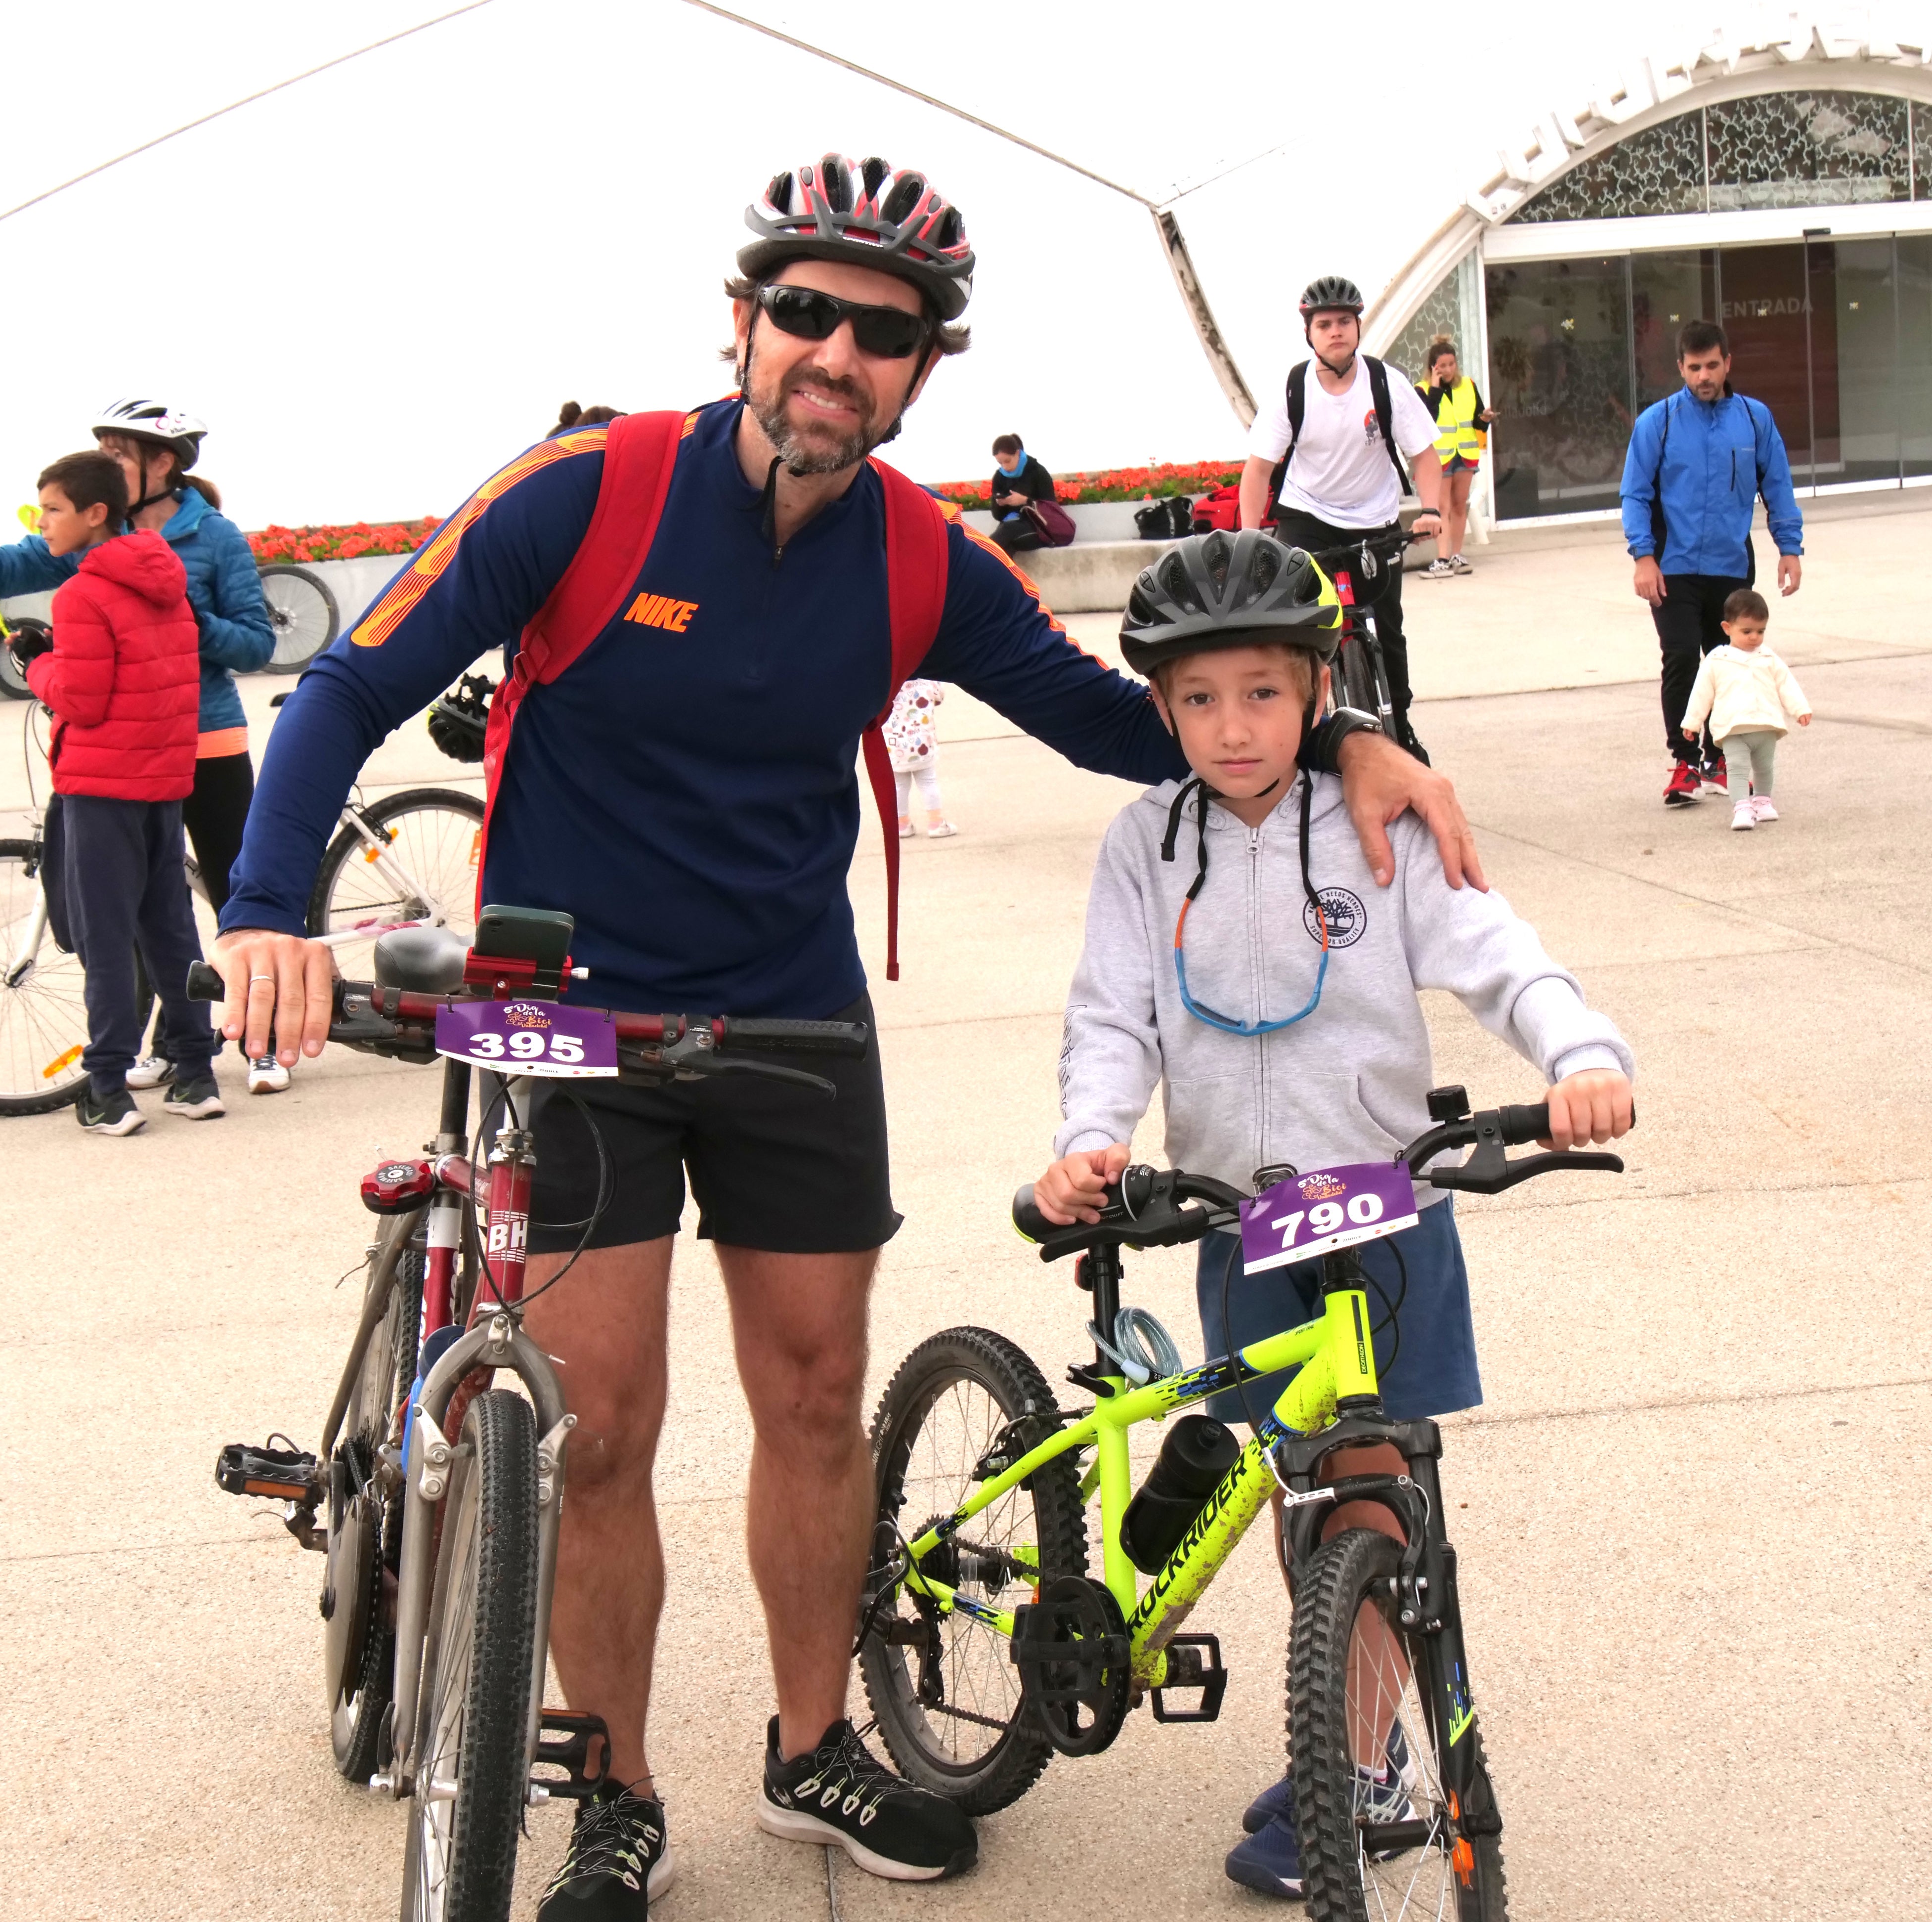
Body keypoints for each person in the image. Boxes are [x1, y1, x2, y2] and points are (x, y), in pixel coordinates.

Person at [211, 150, 1485, 1921]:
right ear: (742, 321)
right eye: (803, 310)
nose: (836, 350)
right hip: (568, 1006)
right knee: (602, 1425)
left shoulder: (916, 558)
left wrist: (1340, 733)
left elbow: (1136, 724)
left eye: (881, 332)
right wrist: (266, 905)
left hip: (790, 1012)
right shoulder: (590, 492)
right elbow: (349, 682)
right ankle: (617, 1802)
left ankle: (813, 1744)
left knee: (814, 1401)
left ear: (919, 369)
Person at [1029, 528, 1634, 1902]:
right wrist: (1091, 1138)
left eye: (1261, 691)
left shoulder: (1378, 827)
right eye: (1196, 699)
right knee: (1297, 1489)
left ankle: (1353, 1763)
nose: (1231, 727)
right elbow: (1112, 1013)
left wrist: (1581, 1059)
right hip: (1238, 1222)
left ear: (1319, 689)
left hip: (1384, 1214)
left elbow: (1499, 953)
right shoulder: (1146, 846)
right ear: (1161, 707)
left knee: (1373, 1490)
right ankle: (1344, 1730)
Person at [0, 399, 280, 1089]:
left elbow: (256, 642)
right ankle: (175, 1041)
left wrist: (177, 621)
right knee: (147, 908)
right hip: (127, 755)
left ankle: (259, 1036)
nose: (108, 467)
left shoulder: (215, 537)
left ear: (162, 463)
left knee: (240, 894)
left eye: (120, 455)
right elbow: (5, 570)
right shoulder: (88, 542)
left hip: (205, 736)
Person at [20, 449, 220, 1134]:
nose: (42, 522)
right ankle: (195, 1073)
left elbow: (82, 697)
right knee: (170, 926)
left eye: (52, 509)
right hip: (163, 781)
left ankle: (109, 1085)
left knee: (105, 937)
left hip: (101, 785)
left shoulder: (81, 594)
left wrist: (37, 664)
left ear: (94, 513)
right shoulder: (165, 579)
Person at [1239, 276, 1444, 761]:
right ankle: (1303, 733)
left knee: (1389, 628)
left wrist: (1432, 510)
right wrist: (1250, 538)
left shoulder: (1384, 383)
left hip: (1375, 520)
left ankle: (1403, 727)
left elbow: (1426, 456)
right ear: (1309, 333)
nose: (1336, 332)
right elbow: (1258, 472)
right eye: (1325, 324)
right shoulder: (1293, 390)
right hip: (1307, 516)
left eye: (1345, 323)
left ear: (1358, 327)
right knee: (1298, 631)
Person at [1620, 318, 1804, 809]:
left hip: (1729, 565)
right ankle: (1683, 761)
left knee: (1730, 666)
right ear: (1680, 367)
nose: (1704, 376)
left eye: (1713, 365)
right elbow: (1635, 495)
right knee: (1681, 658)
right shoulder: (1656, 424)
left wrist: (1789, 548)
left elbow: (1778, 485)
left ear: (1728, 363)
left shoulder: (1754, 419)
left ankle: (1719, 757)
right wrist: (1643, 556)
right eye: (1694, 367)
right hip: (1673, 567)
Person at [1680, 586, 1811, 831]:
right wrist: (1692, 722)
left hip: (1766, 725)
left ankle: (1763, 802)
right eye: (1747, 631)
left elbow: (1786, 684)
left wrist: (1799, 709)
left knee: (1765, 767)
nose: (1755, 637)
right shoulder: (1717, 660)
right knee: (1738, 769)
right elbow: (1702, 694)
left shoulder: (1768, 657)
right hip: (1733, 727)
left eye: (1761, 631)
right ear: (1727, 628)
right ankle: (1742, 807)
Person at [1414, 338, 1494, 578]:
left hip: (1465, 454)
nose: (1448, 369)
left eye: (1452, 364)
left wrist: (1486, 419)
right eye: (1442, 365)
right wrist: (1436, 388)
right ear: (1432, 367)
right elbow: (1426, 417)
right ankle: (1442, 558)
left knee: (1460, 505)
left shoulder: (1468, 385)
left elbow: (1477, 420)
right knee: (1442, 508)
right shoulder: (1422, 389)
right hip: (1438, 457)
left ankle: (1457, 554)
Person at [882, 676, 954, 836]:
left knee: (899, 786)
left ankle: (901, 825)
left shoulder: (887, 679)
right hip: (922, 744)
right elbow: (939, 696)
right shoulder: (927, 678)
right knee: (928, 782)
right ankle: (936, 823)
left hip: (894, 746)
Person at [984, 432, 1056, 555]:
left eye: (1007, 461)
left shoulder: (1038, 472)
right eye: (1000, 463)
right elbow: (998, 516)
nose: (1005, 467)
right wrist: (1000, 504)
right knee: (1006, 545)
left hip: (1038, 529)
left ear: (1017, 453)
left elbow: (1051, 509)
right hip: (1011, 529)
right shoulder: (999, 477)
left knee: (1007, 531)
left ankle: (982, 556)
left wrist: (1026, 501)